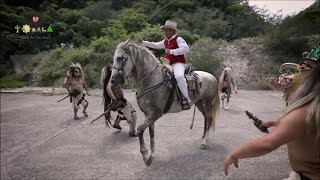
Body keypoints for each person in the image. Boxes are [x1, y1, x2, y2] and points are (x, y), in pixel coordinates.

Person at [223, 45, 320, 180]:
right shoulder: (312, 111)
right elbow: (308, 127)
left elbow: (267, 144)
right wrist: (276, 122)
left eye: (307, 66)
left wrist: (234, 154)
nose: (301, 68)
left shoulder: (304, 112)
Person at [142, 20, 191, 110]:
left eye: (168, 30)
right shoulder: (165, 41)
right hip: (168, 64)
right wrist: (143, 42)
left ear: (173, 31)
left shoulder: (179, 39)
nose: (166, 32)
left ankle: (186, 98)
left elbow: (186, 49)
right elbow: (155, 45)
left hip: (178, 63)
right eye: (165, 30)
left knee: (179, 76)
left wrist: (171, 51)